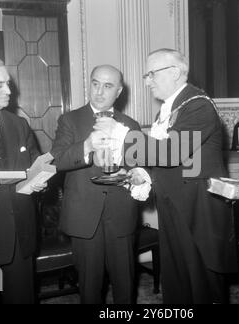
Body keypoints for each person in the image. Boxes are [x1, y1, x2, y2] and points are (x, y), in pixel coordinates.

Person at [96, 49, 238, 304]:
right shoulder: (168, 110)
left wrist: (120, 133)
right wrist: (142, 174)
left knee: (201, 286)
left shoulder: (198, 106)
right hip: (175, 205)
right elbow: (167, 159)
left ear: (174, 72)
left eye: (152, 73)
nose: (147, 80)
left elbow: (173, 152)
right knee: (177, 283)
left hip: (198, 210)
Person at [51, 65, 141, 304]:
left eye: (108, 86)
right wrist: (87, 146)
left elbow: (139, 166)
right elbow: (57, 160)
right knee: (90, 289)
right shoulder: (69, 120)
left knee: (125, 285)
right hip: (84, 215)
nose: (99, 91)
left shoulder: (131, 125)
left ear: (119, 91)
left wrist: (132, 173)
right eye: (95, 83)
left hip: (121, 212)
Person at [0, 58, 47, 304]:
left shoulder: (19, 124)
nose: (8, 91)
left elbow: (35, 163)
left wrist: (39, 180)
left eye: (7, 83)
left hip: (19, 233)